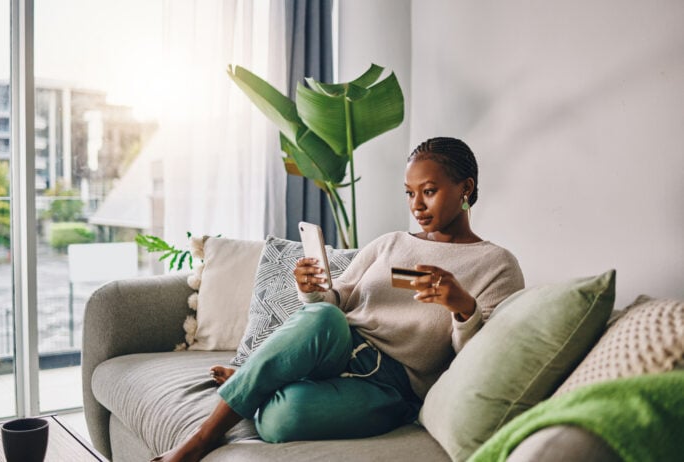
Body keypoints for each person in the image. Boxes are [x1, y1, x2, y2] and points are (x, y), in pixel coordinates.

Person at [151, 137, 525, 462]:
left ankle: (257, 379)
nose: (417, 205)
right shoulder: (391, 243)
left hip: (392, 388)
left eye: (429, 191)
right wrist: (311, 287)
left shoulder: (496, 264)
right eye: (410, 193)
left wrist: (463, 308)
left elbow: (481, 360)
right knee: (323, 316)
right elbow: (337, 299)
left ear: (465, 187)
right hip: (337, 343)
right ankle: (201, 439)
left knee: (282, 421)